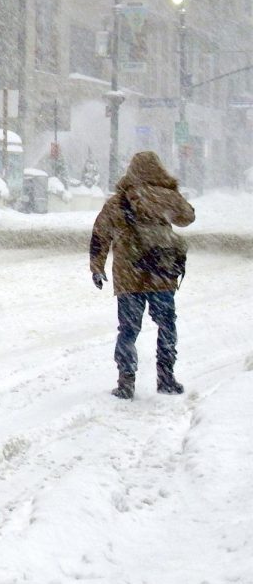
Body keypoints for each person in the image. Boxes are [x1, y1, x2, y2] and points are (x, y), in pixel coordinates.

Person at [89, 151, 195, 399]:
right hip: (161, 274)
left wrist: (97, 266)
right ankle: (166, 377)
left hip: (129, 276)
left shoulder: (118, 202)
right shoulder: (167, 197)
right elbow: (188, 216)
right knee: (166, 325)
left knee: (128, 329)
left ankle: (126, 381)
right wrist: (170, 194)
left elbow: (100, 235)